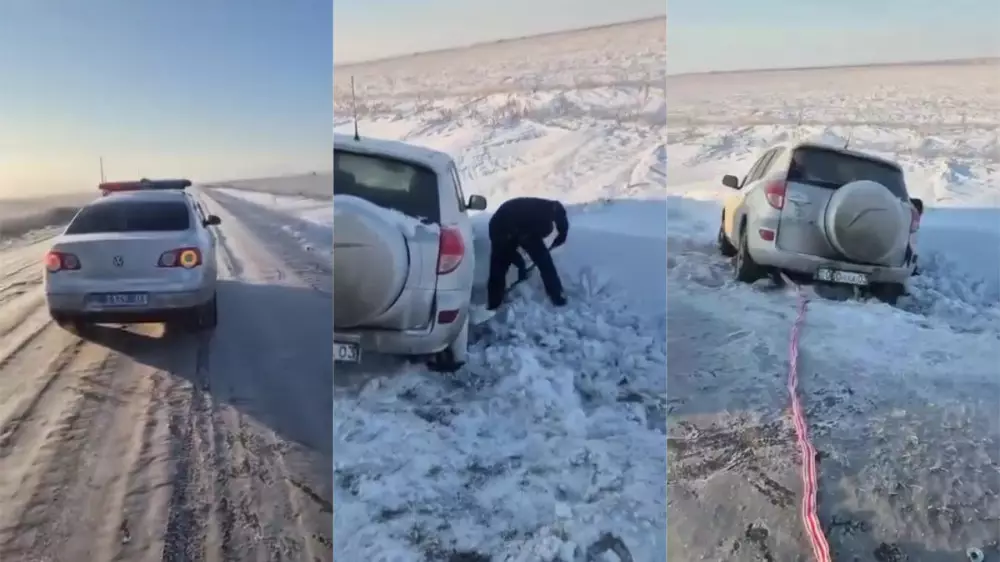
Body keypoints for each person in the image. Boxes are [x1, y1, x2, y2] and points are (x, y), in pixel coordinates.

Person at [486, 197, 568, 310]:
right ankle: (494, 303)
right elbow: (509, 252)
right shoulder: (500, 228)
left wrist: (563, 232)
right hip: (501, 228)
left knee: (545, 261)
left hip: (523, 226)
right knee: (498, 269)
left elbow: (558, 208)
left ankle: (557, 295)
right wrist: (520, 264)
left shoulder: (545, 210)